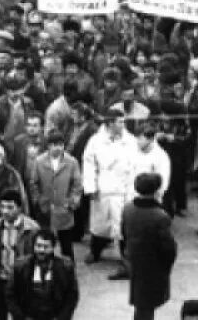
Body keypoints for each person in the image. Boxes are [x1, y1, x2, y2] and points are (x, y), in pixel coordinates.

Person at [82, 104, 137, 274]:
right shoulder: (95, 141)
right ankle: (95, 252)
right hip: (103, 189)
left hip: (122, 190)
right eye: (120, 122)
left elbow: (135, 166)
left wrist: (133, 191)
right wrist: (91, 186)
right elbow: (89, 163)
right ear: (110, 123)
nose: (123, 125)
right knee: (100, 226)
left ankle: (126, 259)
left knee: (123, 226)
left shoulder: (130, 141)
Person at [121, 172, 178, 320]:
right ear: (156, 191)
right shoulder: (160, 216)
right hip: (153, 266)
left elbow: (123, 234)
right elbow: (168, 248)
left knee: (141, 304)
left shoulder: (128, 209)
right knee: (146, 307)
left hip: (135, 262)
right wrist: (166, 266)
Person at [0, 189, 39, 320]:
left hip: (21, 283)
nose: (5, 211)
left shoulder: (32, 229)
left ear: (20, 208)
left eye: (10, 207)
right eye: (2, 207)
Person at [29, 131, 83, 261]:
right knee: (44, 241)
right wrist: (39, 200)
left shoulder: (72, 162)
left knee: (66, 245)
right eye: (54, 145)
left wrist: (72, 202)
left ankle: (69, 272)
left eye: (60, 144)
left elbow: (77, 185)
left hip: (64, 209)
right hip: (45, 209)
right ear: (48, 146)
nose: (57, 148)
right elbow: (33, 183)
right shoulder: (39, 161)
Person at [7, 229, 79, 320]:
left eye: (46, 247)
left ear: (53, 248)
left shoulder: (65, 267)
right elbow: (10, 294)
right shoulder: (20, 266)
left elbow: (72, 296)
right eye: (38, 246)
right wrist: (21, 317)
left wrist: (61, 318)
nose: (41, 250)